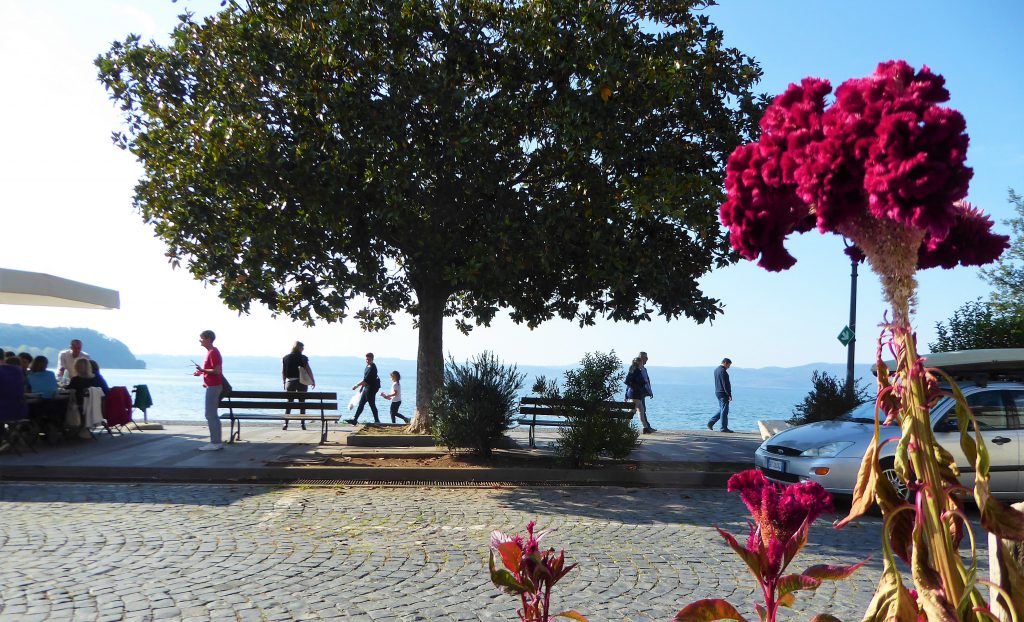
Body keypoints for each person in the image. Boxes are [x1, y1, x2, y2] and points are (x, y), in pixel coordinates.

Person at [193, 329, 224, 450]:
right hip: (213, 385)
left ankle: (215, 442)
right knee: (213, 414)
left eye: (202, 338)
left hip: (214, 386)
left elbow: (217, 371)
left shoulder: (213, 352)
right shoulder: (211, 352)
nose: (200, 340)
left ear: (208, 339)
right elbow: (212, 370)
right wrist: (201, 372)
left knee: (210, 414)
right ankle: (217, 442)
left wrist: (202, 370)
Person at [281, 341, 316, 430]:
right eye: (302, 347)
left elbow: (283, 371)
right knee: (302, 403)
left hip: (290, 382)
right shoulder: (303, 358)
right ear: (299, 348)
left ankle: (286, 423)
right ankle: (302, 424)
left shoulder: (285, 358)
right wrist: (312, 381)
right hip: (302, 383)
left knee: (289, 403)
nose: (303, 349)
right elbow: (308, 369)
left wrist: (284, 381)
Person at [346, 353, 381, 425]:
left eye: (368, 359)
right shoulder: (367, 366)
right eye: (366, 359)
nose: (367, 360)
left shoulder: (373, 368)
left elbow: (365, 380)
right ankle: (355, 419)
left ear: (372, 359)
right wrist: (361, 388)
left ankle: (377, 420)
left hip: (371, 389)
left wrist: (356, 385)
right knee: (361, 404)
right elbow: (365, 379)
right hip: (366, 388)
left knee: (372, 404)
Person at [625, 356, 655, 433]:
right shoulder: (636, 371)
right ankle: (624, 425)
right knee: (632, 411)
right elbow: (628, 382)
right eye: (641, 362)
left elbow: (629, 382)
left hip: (637, 394)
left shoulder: (636, 370)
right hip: (635, 394)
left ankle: (645, 428)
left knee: (641, 411)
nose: (643, 363)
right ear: (639, 363)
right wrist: (637, 386)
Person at [708, 357, 734, 433]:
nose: (729, 367)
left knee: (722, 409)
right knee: (724, 411)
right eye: (729, 365)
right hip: (723, 392)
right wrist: (729, 394)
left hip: (718, 392)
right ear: (725, 363)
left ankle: (711, 422)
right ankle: (723, 428)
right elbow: (725, 384)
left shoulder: (716, 370)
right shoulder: (723, 371)